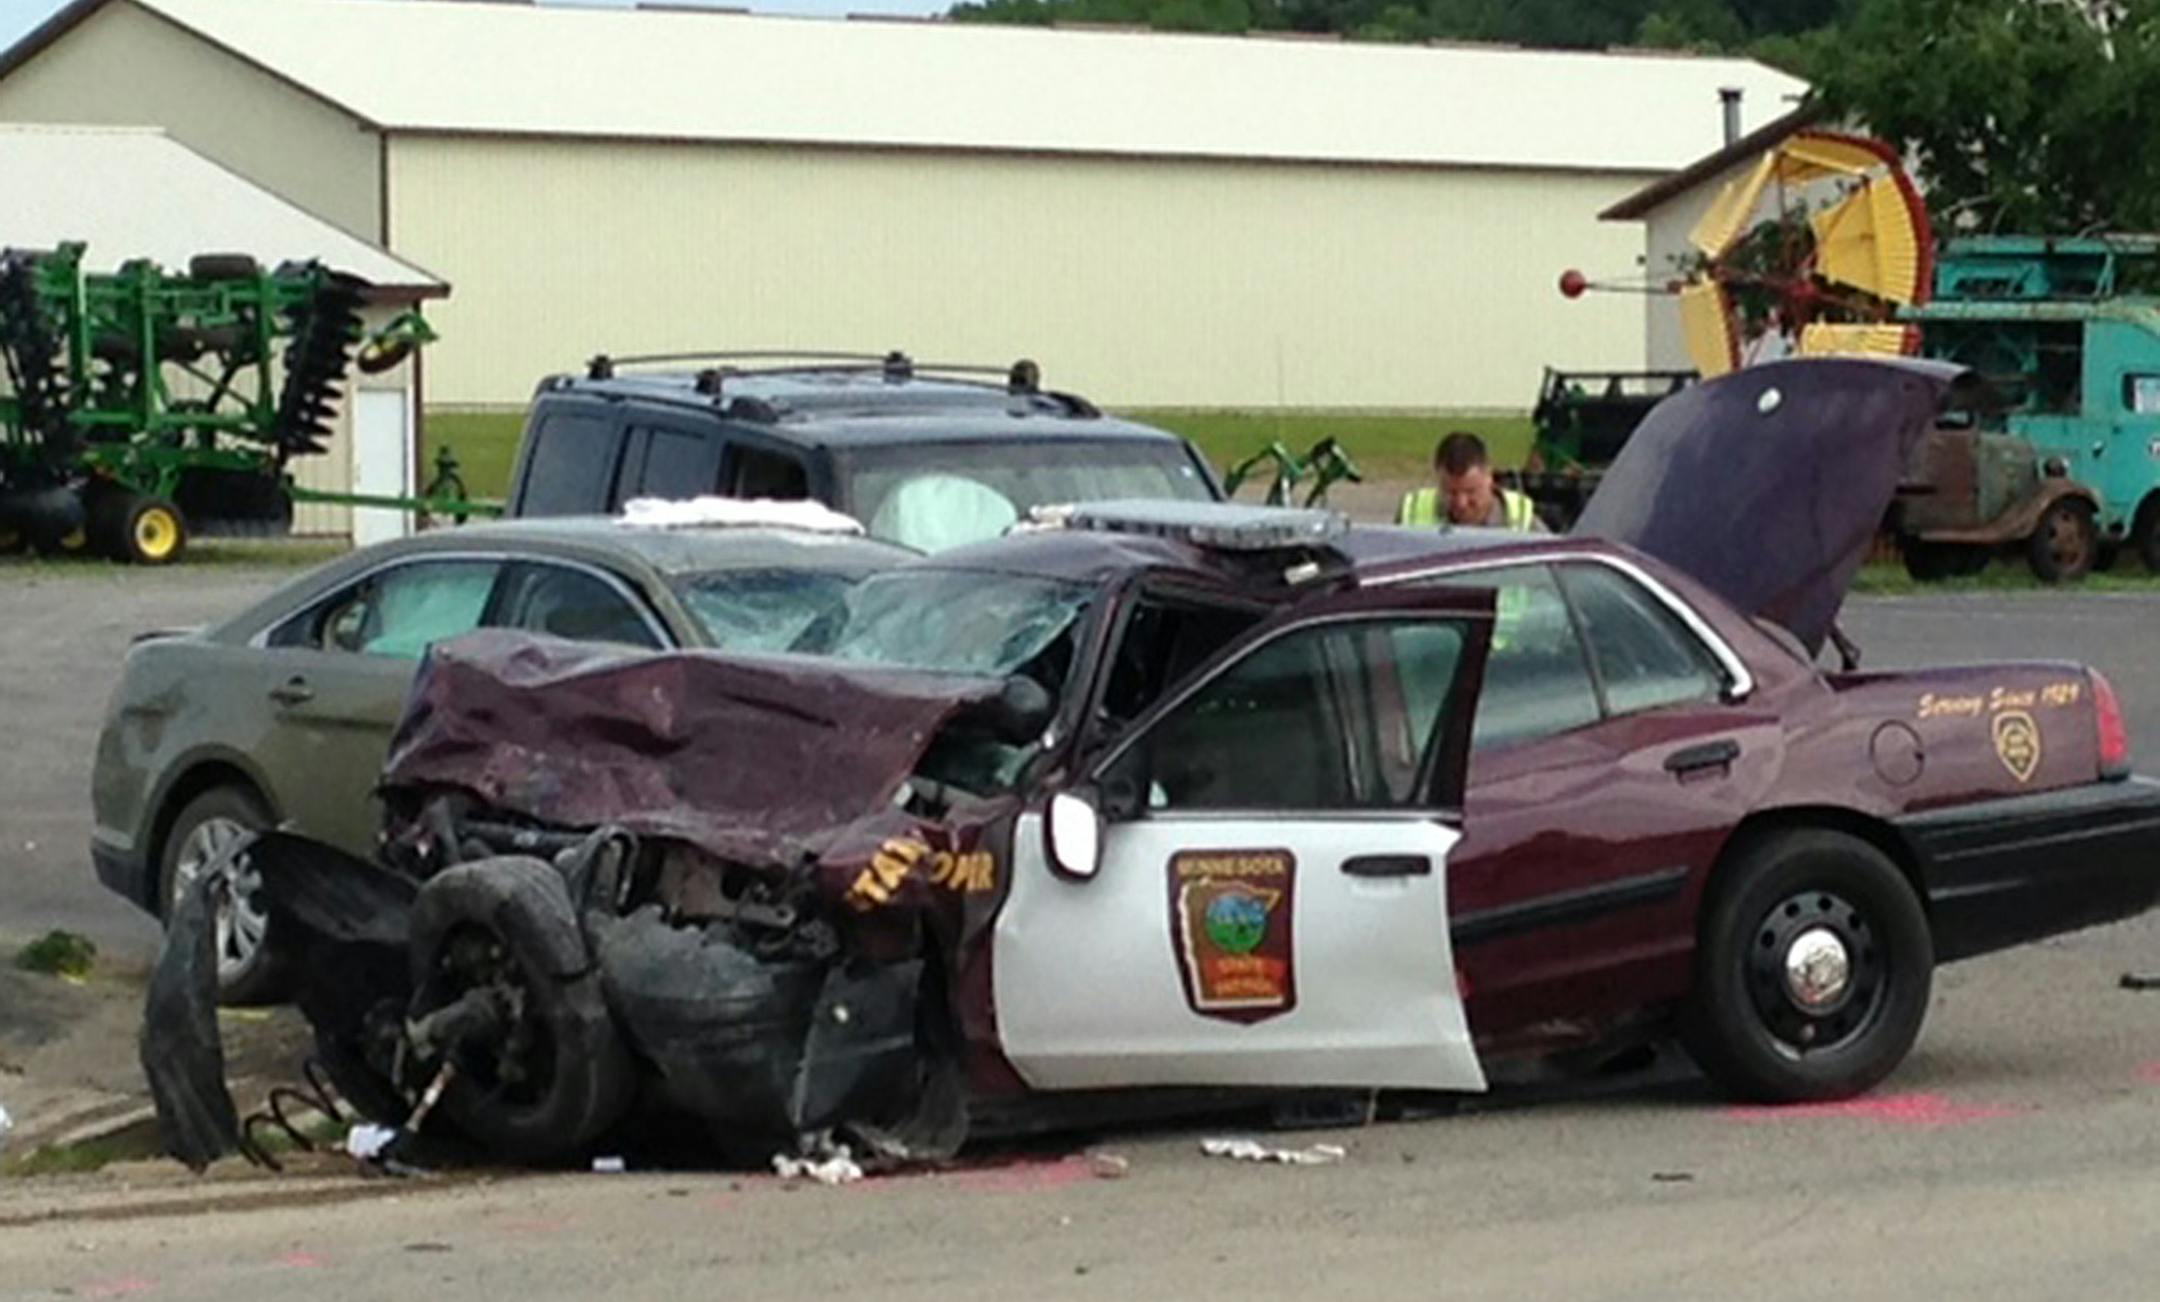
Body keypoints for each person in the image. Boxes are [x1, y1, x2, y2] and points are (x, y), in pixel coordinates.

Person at [1396, 431, 1544, 531]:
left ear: (1489, 477)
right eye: (1451, 493)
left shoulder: (1521, 518)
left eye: (1471, 491)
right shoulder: (1412, 513)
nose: (1461, 503)